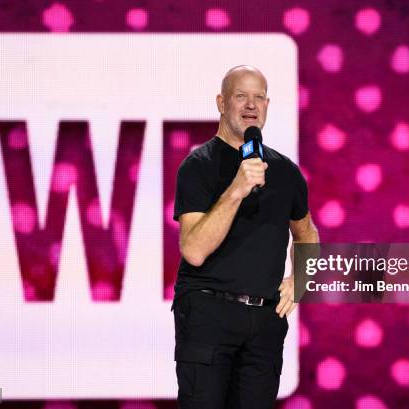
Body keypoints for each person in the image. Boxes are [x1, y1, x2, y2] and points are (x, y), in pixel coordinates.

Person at [172, 65, 319, 409]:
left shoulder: (285, 172)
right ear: (221, 103)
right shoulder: (198, 166)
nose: (251, 105)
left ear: (267, 105)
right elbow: (193, 250)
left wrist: (300, 279)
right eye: (241, 96)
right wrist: (237, 188)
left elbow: (306, 231)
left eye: (258, 98)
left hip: (264, 322)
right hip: (208, 314)